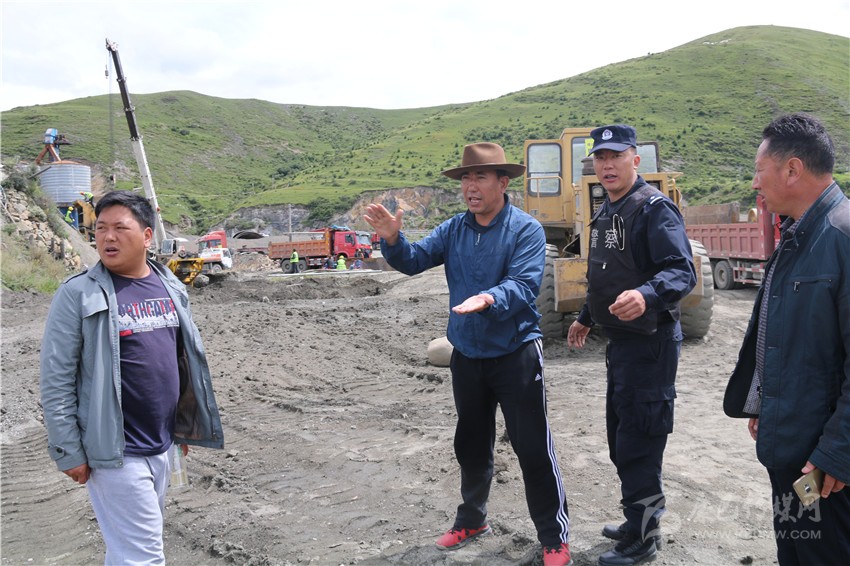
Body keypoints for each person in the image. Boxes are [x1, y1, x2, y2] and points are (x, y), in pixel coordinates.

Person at [364, 142, 572, 566]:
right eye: (465, 179)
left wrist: (489, 298)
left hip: (516, 353)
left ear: (503, 182)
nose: (470, 187)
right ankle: (472, 519)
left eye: (480, 177)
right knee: (471, 444)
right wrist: (393, 239)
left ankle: (554, 537)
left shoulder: (526, 230)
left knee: (533, 447)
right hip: (468, 355)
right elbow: (414, 260)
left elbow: (524, 285)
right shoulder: (454, 229)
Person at [40, 190, 225, 565]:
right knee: (144, 556)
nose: (107, 237)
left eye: (120, 228)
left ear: (146, 236)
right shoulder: (77, 293)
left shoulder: (170, 286)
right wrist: (68, 449)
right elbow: (56, 379)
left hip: (162, 443)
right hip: (116, 451)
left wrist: (181, 430)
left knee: (129, 552)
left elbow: (180, 363)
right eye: (101, 228)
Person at [566, 125, 696, 566]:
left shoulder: (654, 209)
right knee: (622, 439)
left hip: (650, 345)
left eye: (616, 156)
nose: (607, 165)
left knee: (641, 441)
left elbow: (681, 270)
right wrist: (586, 316)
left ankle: (644, 537)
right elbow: (606, 273)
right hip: (621, 345)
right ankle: (635, 519)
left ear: (635, 160)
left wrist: (647, 295)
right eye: (600, 158)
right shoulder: (608, 209)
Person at [723, 113, 849, 565]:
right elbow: (783, 336)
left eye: (760, 171)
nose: (755, 183)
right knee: (793, 551)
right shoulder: (797, 235)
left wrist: (838, 452)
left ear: (792, 169)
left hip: (824, 465)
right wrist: (764, 401)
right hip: (791, 448)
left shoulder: (841, 237)